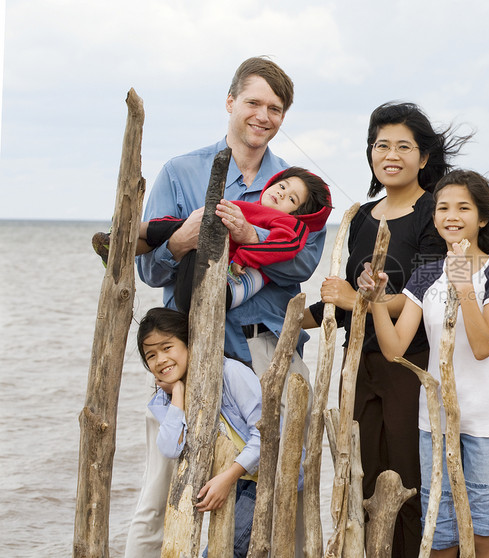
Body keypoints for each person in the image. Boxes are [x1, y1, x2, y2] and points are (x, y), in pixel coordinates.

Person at [126, 57, 321, 558]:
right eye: (253, 102)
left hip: (265, 349)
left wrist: (249, 238)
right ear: (230, 102)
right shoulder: (182, 171)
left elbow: (303, 264)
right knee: (165, 482)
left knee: (278, 482)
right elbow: (149, 272)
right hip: (191, 351)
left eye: (275, 109)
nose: (263, 115)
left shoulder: (297, 187)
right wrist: (181, 243)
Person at [303, 102, 468, 557]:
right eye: (381, 145)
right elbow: (339, 298)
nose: (390, 154)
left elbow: (428, 289)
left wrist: (358, 300)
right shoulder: (360, 215)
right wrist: (295, 314)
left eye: (403, 146)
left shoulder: (434, 210)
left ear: (424, 156)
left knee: (409, 478)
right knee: (359, 475)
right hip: (359, 365)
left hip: (410, 364)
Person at [358, 169, 489, 558]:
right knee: (441, 531)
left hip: (486, 422)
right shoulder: (426, 274)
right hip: (435, 423)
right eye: (443, 207)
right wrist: (378, 300)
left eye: (463, 207)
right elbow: (395, 350)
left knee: (484, 532)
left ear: (482, 218)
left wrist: (464, 283)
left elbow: (483, 346)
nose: (452, 215)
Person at [94, 167, 331, 317]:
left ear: (298, 214)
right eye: (282, 186)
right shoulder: (249, 207)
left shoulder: (291, 224)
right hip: (206, 256)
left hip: (225, 287)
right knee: (182, 225)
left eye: (291, 198)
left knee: (191, 233)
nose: (281, 193)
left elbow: (287, 247)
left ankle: (127, 235)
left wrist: (247, 250)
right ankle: (121, 242)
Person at [136, 307, 264, 557]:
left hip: (260, 479)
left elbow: (266, 435)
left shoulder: (230, 373)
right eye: (150, 355)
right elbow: (170, 448)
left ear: (187, 343)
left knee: (226, 551)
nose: (160, 360)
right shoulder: (166, 400)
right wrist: (178, 395)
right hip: (229, 482)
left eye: (167, 347)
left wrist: (228, 477)